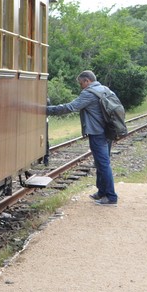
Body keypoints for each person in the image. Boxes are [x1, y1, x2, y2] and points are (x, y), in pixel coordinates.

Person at [46, 70, 118, 205]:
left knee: (103, 164)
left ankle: (111, 196)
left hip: (97, 133)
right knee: (101, 163)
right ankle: (102, 192)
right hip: (109, 130)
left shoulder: (89, 93)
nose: (81, 86)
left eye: (81, 83)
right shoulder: (105, 89)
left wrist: (47, 109)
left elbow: (70, 107)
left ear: (87, 81)